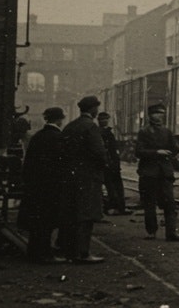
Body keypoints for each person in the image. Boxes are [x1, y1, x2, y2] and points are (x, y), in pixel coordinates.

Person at [59, 96, 108, 263]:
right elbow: (99, 153)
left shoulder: (70, 126)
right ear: (93, 109)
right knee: (86, 215)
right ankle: (83, 253)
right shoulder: (91, 127)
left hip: (70, 177)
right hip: (88, 178)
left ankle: (69, 251)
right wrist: (102, 167)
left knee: (72, 214)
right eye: (96, 108)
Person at [18, 107, 67, 263]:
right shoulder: (59, 137)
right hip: (51, 187)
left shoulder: (37, 136)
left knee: (37, 222)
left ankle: (34, 252)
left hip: (35, 186)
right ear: (60, 120)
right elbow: (62, 165)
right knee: (48, 222)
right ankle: (45, 255)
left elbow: (28, 163)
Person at [136, 104, 179, 242]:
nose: (159, 116)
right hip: (149, 172)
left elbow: (175, 148)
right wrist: (157, 152)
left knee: (170, 203)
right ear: (150, 116)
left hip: (165, 173)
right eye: (156, 114)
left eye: (162, 114)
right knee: (149, 204)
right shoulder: (144, 132)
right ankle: (151, 231)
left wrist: (173, 151)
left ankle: (171, 233)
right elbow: (138, 152)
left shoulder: (167, 131)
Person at [97, 112, 129, 216]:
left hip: (113, 163)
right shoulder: (100, 132)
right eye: (102, 119)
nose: (105, 121)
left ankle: (119, 207)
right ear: (99, 121)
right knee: (111, 186)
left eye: (106, 119)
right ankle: (113, 207)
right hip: (107, 163)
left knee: (116, 186)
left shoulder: (108, 132)